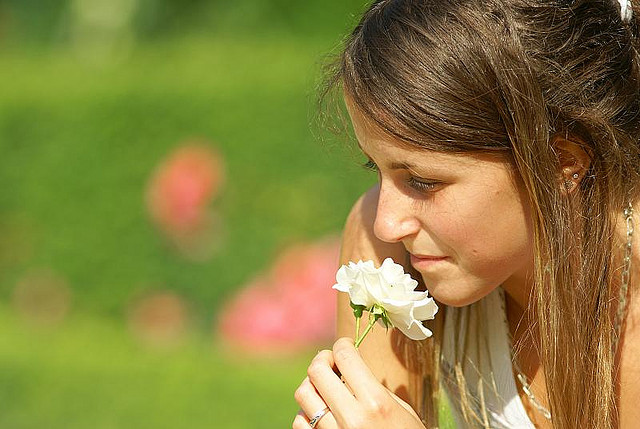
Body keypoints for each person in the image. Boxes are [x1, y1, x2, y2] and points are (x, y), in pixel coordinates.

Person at [293, 0, 640, 427]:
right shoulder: (386, 253)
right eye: (376, 168)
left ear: (560, 164)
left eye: (423, 182)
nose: (387, 223)